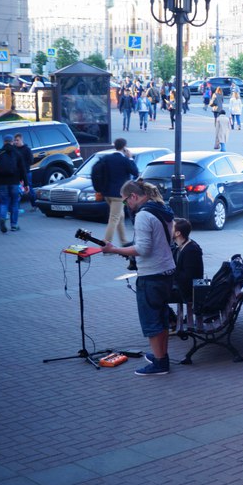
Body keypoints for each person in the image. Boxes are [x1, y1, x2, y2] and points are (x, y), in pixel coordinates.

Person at [102, 180, 176, 376]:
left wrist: (115, 249)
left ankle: (160, 363)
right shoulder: (161, 208)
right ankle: (162, 356)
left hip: (151, 275)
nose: (127, 206)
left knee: (151, 321)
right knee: (162, 318)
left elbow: (143, 249)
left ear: (133, 196)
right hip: (167, 271)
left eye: (126, 202)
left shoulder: (144, 215)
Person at [93, 138, 139, 245]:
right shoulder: (124, 160)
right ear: (124, 147)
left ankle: (124, 241)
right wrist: (130, 158)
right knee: (114, 218)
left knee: (120, 216)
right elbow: (135, 172)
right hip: (119, 196)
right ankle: (106, 244)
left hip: (107, 195)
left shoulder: (106, 158)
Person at [170, 217, 204, 334]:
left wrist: (170, 277)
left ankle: (172, 322)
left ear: (178, 233)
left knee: (154, 293)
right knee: (155, 289)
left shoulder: (191, 250)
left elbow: (188, 278)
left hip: (188, 292)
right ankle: (172, 321)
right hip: (182, 287)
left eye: (171, 227)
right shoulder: (180, 246)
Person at [0, 134, 27, 234]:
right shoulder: (17, 153)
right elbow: (23, 170)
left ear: (3, 142)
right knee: (14, 203)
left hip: (1, 182)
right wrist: (26, 184)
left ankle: (2, 218)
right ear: (12, 141)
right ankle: (14, 225)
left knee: (3, 202)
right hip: (14, 182)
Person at [12, 132, 35, 204]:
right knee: (17, 190)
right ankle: (16, 207)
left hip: (26, 172)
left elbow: (31, 161)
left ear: (21, 140)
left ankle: (34, 204)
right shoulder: (14, 149)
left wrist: (22, 166)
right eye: (15, 140)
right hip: (16, 173)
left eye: (17, 140)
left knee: (28, 188)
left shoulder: (27, 149)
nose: (16, 142)